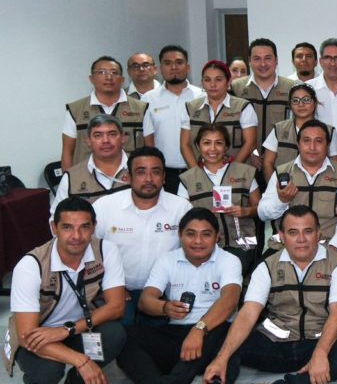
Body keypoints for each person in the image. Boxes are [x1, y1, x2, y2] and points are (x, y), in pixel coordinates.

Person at [159, 206, 337, 384]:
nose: (301, 239)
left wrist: (321, 353)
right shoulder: (267, 266)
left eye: (308, 231)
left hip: (315, 345)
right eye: (293, 232)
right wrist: (222, 357)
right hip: (275, 344)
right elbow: (248, 312)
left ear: (318, 234)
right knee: (229, 338)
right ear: (281, 236)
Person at [117, 208, 241, 384]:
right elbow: (146, 300)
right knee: (124, 336)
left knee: (228, 332)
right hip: (176, 335)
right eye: (191, 234)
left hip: (212, 333)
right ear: (180, 236)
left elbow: (230, 300)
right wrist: (164, 307)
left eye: (206, 234)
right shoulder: (167, 260)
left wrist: (199, 329)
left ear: (217, 237)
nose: (198, 241)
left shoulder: (229, 260)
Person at [5, 198, 127, 384]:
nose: (76, 236)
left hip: (77, 328)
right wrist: (81, 360)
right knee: (46, 374)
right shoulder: (30, 265)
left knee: (115, 333)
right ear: (54, 228)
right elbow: (26, 335)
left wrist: (66, 330)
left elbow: (116, 307)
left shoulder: (106, 250)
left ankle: (78, 381)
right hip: (39, 334)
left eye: (84, 227)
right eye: (68, 227)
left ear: (94, 227)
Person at [93, 147, 192, 326]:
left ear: (164, 177)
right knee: (120, 329)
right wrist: (107, 287)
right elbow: (89, 251)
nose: (148, 179)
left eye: (156, 172)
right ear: (128, 177)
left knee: (161, 332)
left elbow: (193, 253)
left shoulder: (181, 208)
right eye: (141, 172)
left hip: (164, 293)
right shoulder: (104, 207)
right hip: (116, 290)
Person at [179, 124, 262, 274]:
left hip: (242, 245)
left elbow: (260, 208)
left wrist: (245, 211)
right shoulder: (187, 179)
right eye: (206, 143)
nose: (212, 149)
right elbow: (181, 216)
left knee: (232, 278)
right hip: (202, 246)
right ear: (197, 146)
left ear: (226, 147)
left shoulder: (245, 172)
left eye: (218, 143)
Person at [260, 120, 337, 253]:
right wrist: (282, 201)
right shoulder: (282, 172)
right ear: (298, 144)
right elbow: (263, 213)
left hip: (328, 245)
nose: (312, 147)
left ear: (327, 145)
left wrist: (335, 245)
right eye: (306, 141)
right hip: (285, 247)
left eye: (319, 141)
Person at [62, 56, 149, 170]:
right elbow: (67, 152)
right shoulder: (76, 110)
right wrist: (69, 179)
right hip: (87, 176)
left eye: (114, 72)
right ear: (91, 78)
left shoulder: (141, 108)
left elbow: (150, 150)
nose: (108, 77)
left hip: (129, 175)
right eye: (101, 72)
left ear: (122, 79)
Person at [141, 45, 204, 192]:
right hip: (164, 173)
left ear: (188, 67)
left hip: (198, 169)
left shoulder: (202, 96)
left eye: (179, 62)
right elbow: (148, 139)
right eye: (168, 63)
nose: (174, 67)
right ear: (160, 68)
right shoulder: (148, 99)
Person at [181, 60, 258, 169]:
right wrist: (197, 173)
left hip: (236, 173)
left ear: (228, 82)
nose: (212, 85)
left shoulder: (243, 107)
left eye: (218, 79)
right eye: (207, 80)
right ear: (202, 83)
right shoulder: (190, 108)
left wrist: (231, 172)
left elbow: (250, 143)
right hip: (199, 173)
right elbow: (185, 145)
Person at [51, 114, 129, 219]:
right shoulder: (72, 177)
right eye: (98, 135)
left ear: (123, 138)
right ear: (88, 141)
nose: (105, 140)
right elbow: (55, 218)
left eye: (112, 134)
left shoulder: (140, 169)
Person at [263, 83, 337, 178]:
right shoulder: (279, 128)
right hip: (284, 184)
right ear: (290, 105)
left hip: (318, 184)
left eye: (306, 100)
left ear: (315, 103)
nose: (301, 104)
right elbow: (267, 163)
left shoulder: (329, 131)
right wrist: (275, 185)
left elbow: (335, 165)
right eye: (295, 101)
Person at [230, 38, 297, 150]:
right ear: (249, 61)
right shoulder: (236, 88)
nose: (263, 64)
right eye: (257, 59)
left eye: (268, 58)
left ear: (276, 60)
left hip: (282, 156)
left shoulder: (293, 88)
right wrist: (251, 153)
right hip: (245, 157)